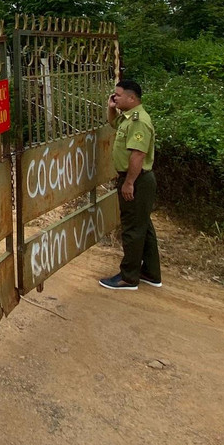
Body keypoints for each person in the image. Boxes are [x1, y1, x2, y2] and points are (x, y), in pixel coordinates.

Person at [99, 78, 161, 291]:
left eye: (118, 95)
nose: (114, 97)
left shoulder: (138, 121)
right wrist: (111, 108)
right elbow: (114, 123)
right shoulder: (129, 118)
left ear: (132, 98)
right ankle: (151, 273)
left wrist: (129, 183)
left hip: (137, 180)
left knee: (133, 228)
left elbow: (138, 154)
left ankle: (129, 277)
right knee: (143, 225)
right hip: (138, 180)